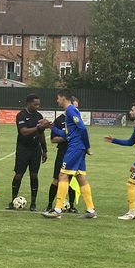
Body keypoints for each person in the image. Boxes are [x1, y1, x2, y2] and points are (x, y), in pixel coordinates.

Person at [42, 90, 95, 219]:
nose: (57, 101)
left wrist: (87, 146)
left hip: (75, 148)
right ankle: (91, 210)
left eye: (58, 98)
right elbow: (67, 134)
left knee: (63, 175)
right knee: (81, 177)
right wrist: (51, 127)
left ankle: (57, 210)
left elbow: (83, 128)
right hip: (78, 147)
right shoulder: (69, 113)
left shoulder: (71, 110)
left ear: (63, 98)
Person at [8, 94, 50, 210]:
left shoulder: (39, 116)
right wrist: (39, 127)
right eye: (35, 104)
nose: (37, 107)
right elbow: (24, 132)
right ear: (28, 103)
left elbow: (41, 134)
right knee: (18, 174)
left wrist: (44, 150)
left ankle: (33, 203)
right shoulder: (21, 115)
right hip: (23, 148)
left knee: (34, 175)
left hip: (35, 149)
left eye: (38, 105)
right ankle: (13, 200)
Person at [45, 108, 81, 213]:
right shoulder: (59, 120)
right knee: (57, 179)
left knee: (72, 180)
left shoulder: (77, 120)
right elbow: (53, 139)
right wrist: (67, 137)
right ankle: (49, 205)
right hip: (62, 153)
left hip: (74, 153)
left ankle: (72, 206)